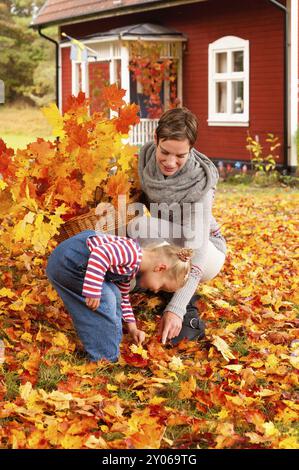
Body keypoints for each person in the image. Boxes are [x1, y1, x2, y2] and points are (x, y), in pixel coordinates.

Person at [127, 107, 227, 345]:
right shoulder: (146, 160)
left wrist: (177, 308)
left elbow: (197, 249)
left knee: (143, 226)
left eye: (180, 156)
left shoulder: (199, 183)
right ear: (155, 140)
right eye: (166, 152)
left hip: (206, 250)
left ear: (191, 149)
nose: (170, 162)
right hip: (170, 241)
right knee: (136, 223)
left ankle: (185, 306)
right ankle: (153, 285)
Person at [46, 229, 193, 362]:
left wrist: (133, 328)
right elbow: (100, 254)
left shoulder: (132, 269)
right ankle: (104, 358)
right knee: (106, 298)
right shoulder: (132, 254)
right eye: (161, 286)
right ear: (160, 268)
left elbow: (123, 298)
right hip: (67, 262)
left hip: (76, 265)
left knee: (115, 294)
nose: (156, 291)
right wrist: (94, 290)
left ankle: (110, 347)